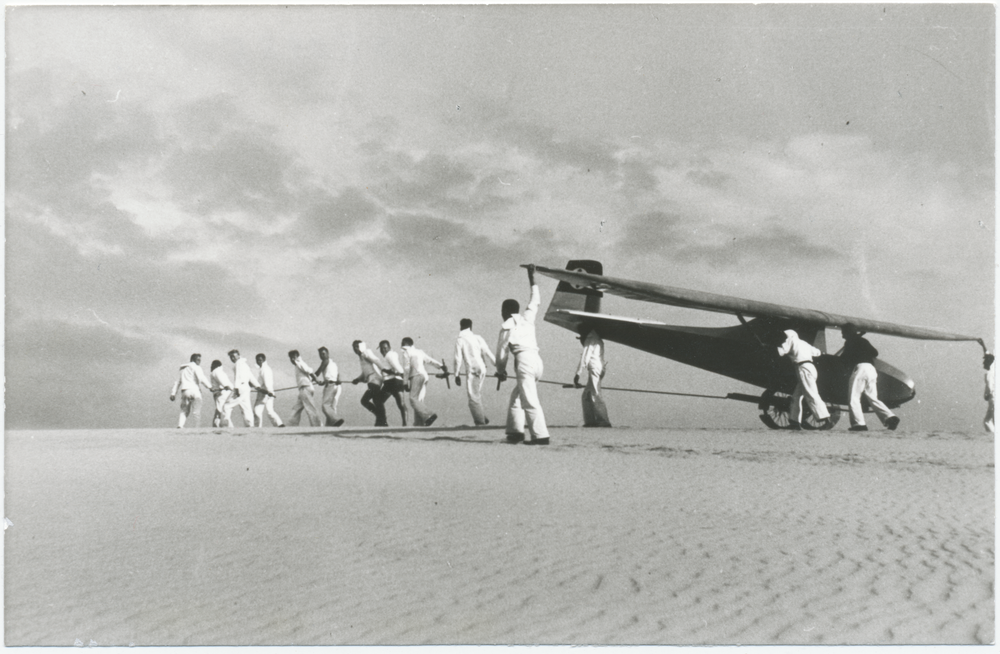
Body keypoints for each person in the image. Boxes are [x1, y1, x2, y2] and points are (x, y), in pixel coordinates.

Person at [496, 264, 551, 445]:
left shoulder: (506, 327)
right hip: (537, 362)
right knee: (517, 398)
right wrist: (531, 277)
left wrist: (501, 371)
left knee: (529, 400)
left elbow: (502, 354)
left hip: (525, 363)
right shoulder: (527, 318)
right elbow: (535, 300)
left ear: (504, 312)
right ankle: (515, 433)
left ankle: (541, 436)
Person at [840, 324, 899, 432]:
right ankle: (890, 418)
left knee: (853, 397)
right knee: (872, 397)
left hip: (860, 368)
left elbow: (844, 358)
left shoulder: (849, 342)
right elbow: (875, 353)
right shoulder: (863, 341)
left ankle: (859, 424)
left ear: (848, 333)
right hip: (871, 369)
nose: (842, 335)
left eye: (843, 333)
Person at [776, 329, 833, 431]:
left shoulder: (790, 340)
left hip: (802, 368)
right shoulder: (803, 343)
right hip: (810, 368)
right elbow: (817, 352)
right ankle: (794, 422)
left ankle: (826, 419)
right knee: (796, 396)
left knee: (811, 394)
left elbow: (781, 352)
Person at [453, 318, 496, 426]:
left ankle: (480, 422)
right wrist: (499, 367)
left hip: (472, 370)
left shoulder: (460, 340)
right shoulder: (478, 337)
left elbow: (458, 358)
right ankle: (482, 417)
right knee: (477, 395)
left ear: (461, 326)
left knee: (473, 397)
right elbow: (487, 352)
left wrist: (456, 374)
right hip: (482, 368)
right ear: (471, 327)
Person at [400, 337, 444, 426]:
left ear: (406, 344)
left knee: (413, 399)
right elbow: (429, 360)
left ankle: (429, 415)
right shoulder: (419, 351)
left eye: (402, 343)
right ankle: (419, 423)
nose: (401, 345)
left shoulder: (406, 352)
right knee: (418, 401)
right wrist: (441, 366)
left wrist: (405, 383)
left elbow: (406, 368)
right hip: (424, 376)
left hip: (416, 376)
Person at [574, 328, 612, 427]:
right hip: (600, 368)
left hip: (595, 369)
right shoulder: (598, 340)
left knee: (595, 393)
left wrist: (578, 374)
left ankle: (603, 421)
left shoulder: (589, 340)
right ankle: (590, 421)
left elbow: (585, 357)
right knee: (586, 395)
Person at [352, 340, 389, 426]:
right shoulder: (361, 357)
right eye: (354, 347)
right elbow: (365, 373)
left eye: (357, 346)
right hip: (371, 380)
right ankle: (381, 420)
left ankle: (381, 420)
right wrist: (357, 379)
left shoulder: (366, 352)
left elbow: (376, 360)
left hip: (375, 379)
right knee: (375, 401)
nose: (355, 348)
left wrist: (384, 369)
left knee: (367, 400)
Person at [170, 353, 212, 428]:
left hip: (185, 391)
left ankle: (180, 425)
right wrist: (209, 387)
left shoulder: (183, 369)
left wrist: (173, 393)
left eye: (200, 359)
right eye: (198, 359)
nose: (199, 361)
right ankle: (197, 427)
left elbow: (177, 382)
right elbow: (201, 378)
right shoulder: (196, 367)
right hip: (195, 390)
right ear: (193, 359)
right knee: (196, 411)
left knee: (184, 410)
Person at [223, 349, 262, 427]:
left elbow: (238, 376)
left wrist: (236, 389)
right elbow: (250, 377)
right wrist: (258, 387)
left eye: (234, 356)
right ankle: (250, 427)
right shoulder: (245, 364)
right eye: (231, 357)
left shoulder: (238, 363)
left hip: (240, 388)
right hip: (246, 389)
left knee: (226, 406)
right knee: (246, 409)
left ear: (238, 355)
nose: (232, 358)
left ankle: (226, 426)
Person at [379, 340, 410, 426]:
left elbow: (398, 368)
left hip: (395, 382)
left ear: (389, 348)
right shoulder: (390, 355)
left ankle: (383, 422)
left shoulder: (389, 355)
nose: (383, 350)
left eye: (385, 348)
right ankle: (404, 425)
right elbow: (394, 368)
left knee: (400, 404)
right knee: (401, 404)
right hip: (391, 382)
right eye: (381, 348)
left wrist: (402, 375)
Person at [287, 350, 321, 427]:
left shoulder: (299, 362)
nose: (291, 360)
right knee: (296, 408)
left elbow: (309, 371)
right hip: (303, 388)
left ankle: (317, 426)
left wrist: (316, 379)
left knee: (310, 408)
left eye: (292, 357)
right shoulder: (299, 364)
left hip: (305, 388)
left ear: (295, 357)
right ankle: (290, 425)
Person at [315, 347, 345, 427]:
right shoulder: (333, 363)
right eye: (320, 354)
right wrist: (322, 382)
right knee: (331, 407)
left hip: (330, 386)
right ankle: (329, 426)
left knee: (325, 406)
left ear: (328, 354)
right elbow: (337, 374)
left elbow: (317, 373)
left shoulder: (325, 361)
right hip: (337, 386)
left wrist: (311, 378)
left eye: (323, 353)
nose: (322, 356)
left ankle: (336, 419)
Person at [253, 353, 284, 428]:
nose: (259, 362)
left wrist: (268, 392)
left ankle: (257, 427)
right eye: (257, 360)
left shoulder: (264, 369)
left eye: (260, 360)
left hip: (265, 392)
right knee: (270, 411)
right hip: (268, 392)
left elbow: (267, 382)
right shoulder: (265, 368)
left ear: (264, 360)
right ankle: (279, 424)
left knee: (257, 410)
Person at [209, 359, 234, 428]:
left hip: (221, 394)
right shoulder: (221, 372)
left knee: (220, 410)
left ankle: (217, 425)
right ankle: (229, 427)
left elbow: (223, 382)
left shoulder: (216, 371)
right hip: (225, 393)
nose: (211, 367)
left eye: (212, 365)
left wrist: (225, 386)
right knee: (224, 411)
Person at [984, 353, 995, 433]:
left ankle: (993, 437)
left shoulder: (989, 373)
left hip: (993, 398)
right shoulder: (995, 370)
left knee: (987, 421)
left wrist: (987, 395)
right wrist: (983, 345)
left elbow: (990, 387)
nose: (983, 363)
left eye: (984, 361)